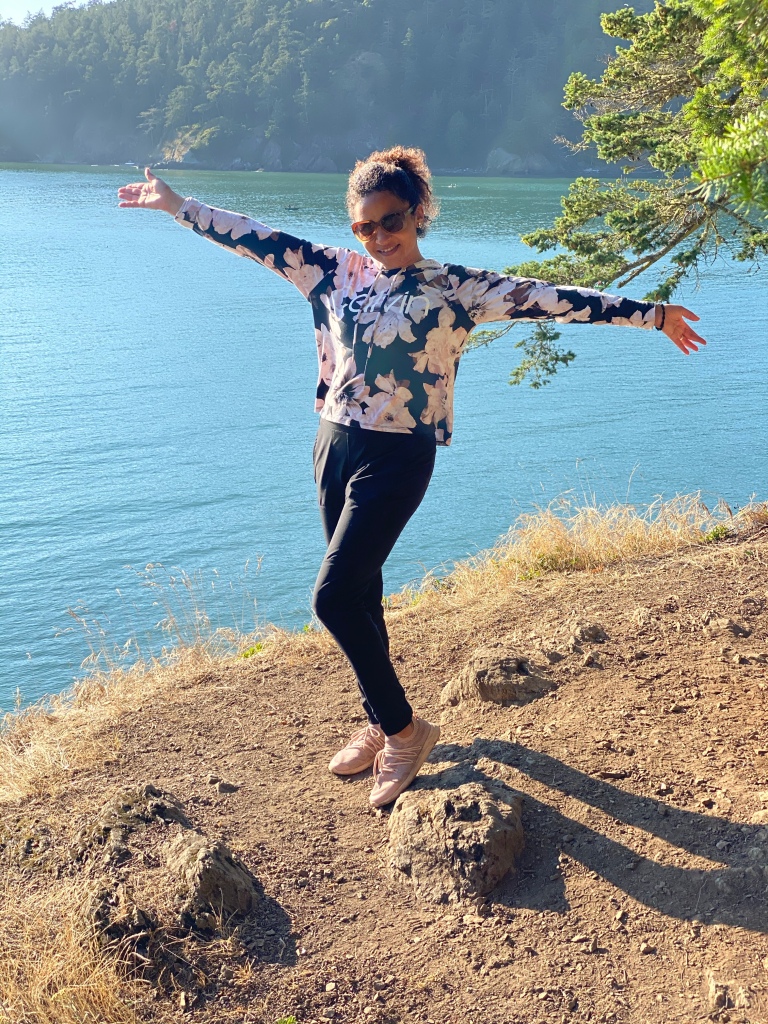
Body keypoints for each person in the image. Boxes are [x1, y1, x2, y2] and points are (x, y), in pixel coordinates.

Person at [117, 146, 706, 809]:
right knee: (360, 591)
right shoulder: (331, 270)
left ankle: (404, 731)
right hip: (334, 444)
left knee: (332, 598)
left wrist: (652, 314)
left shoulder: (456, 289)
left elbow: (553, 300)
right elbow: (252, 236)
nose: (378, 237)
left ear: (418, 212)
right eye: (364, 226)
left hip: (399, 454)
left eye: (390, 221)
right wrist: (177, 206)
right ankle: (380, 717)